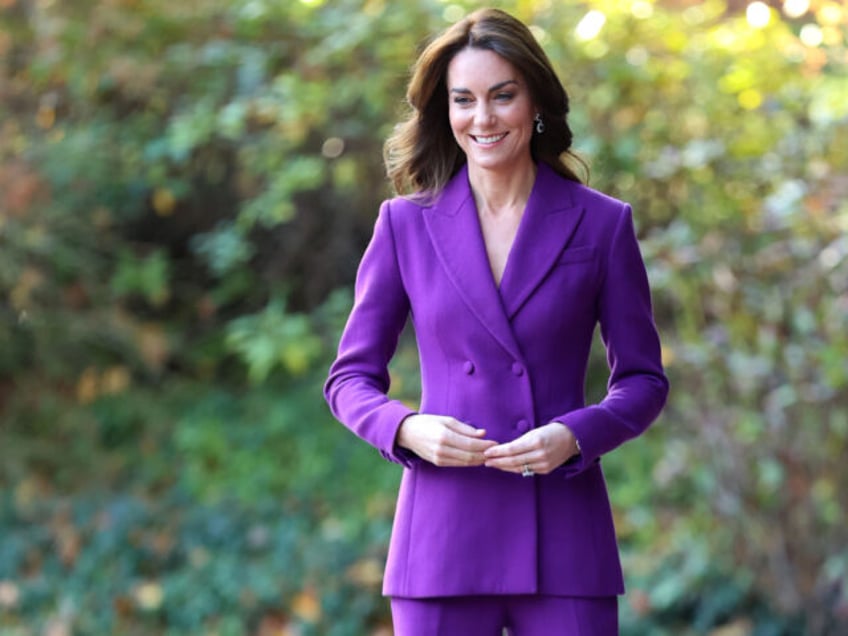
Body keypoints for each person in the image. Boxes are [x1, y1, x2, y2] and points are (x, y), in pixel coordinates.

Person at [324, 7, 669, 635]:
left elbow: (644, 381)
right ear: (445, 112)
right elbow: (349, 379)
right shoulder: (405, 224)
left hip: (565, 537)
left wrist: (576, 435)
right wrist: (406, 429)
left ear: (534, 100)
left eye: (502, 96)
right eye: (464, 100)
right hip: (443, 537)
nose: (482, 118)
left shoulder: (601, 223)